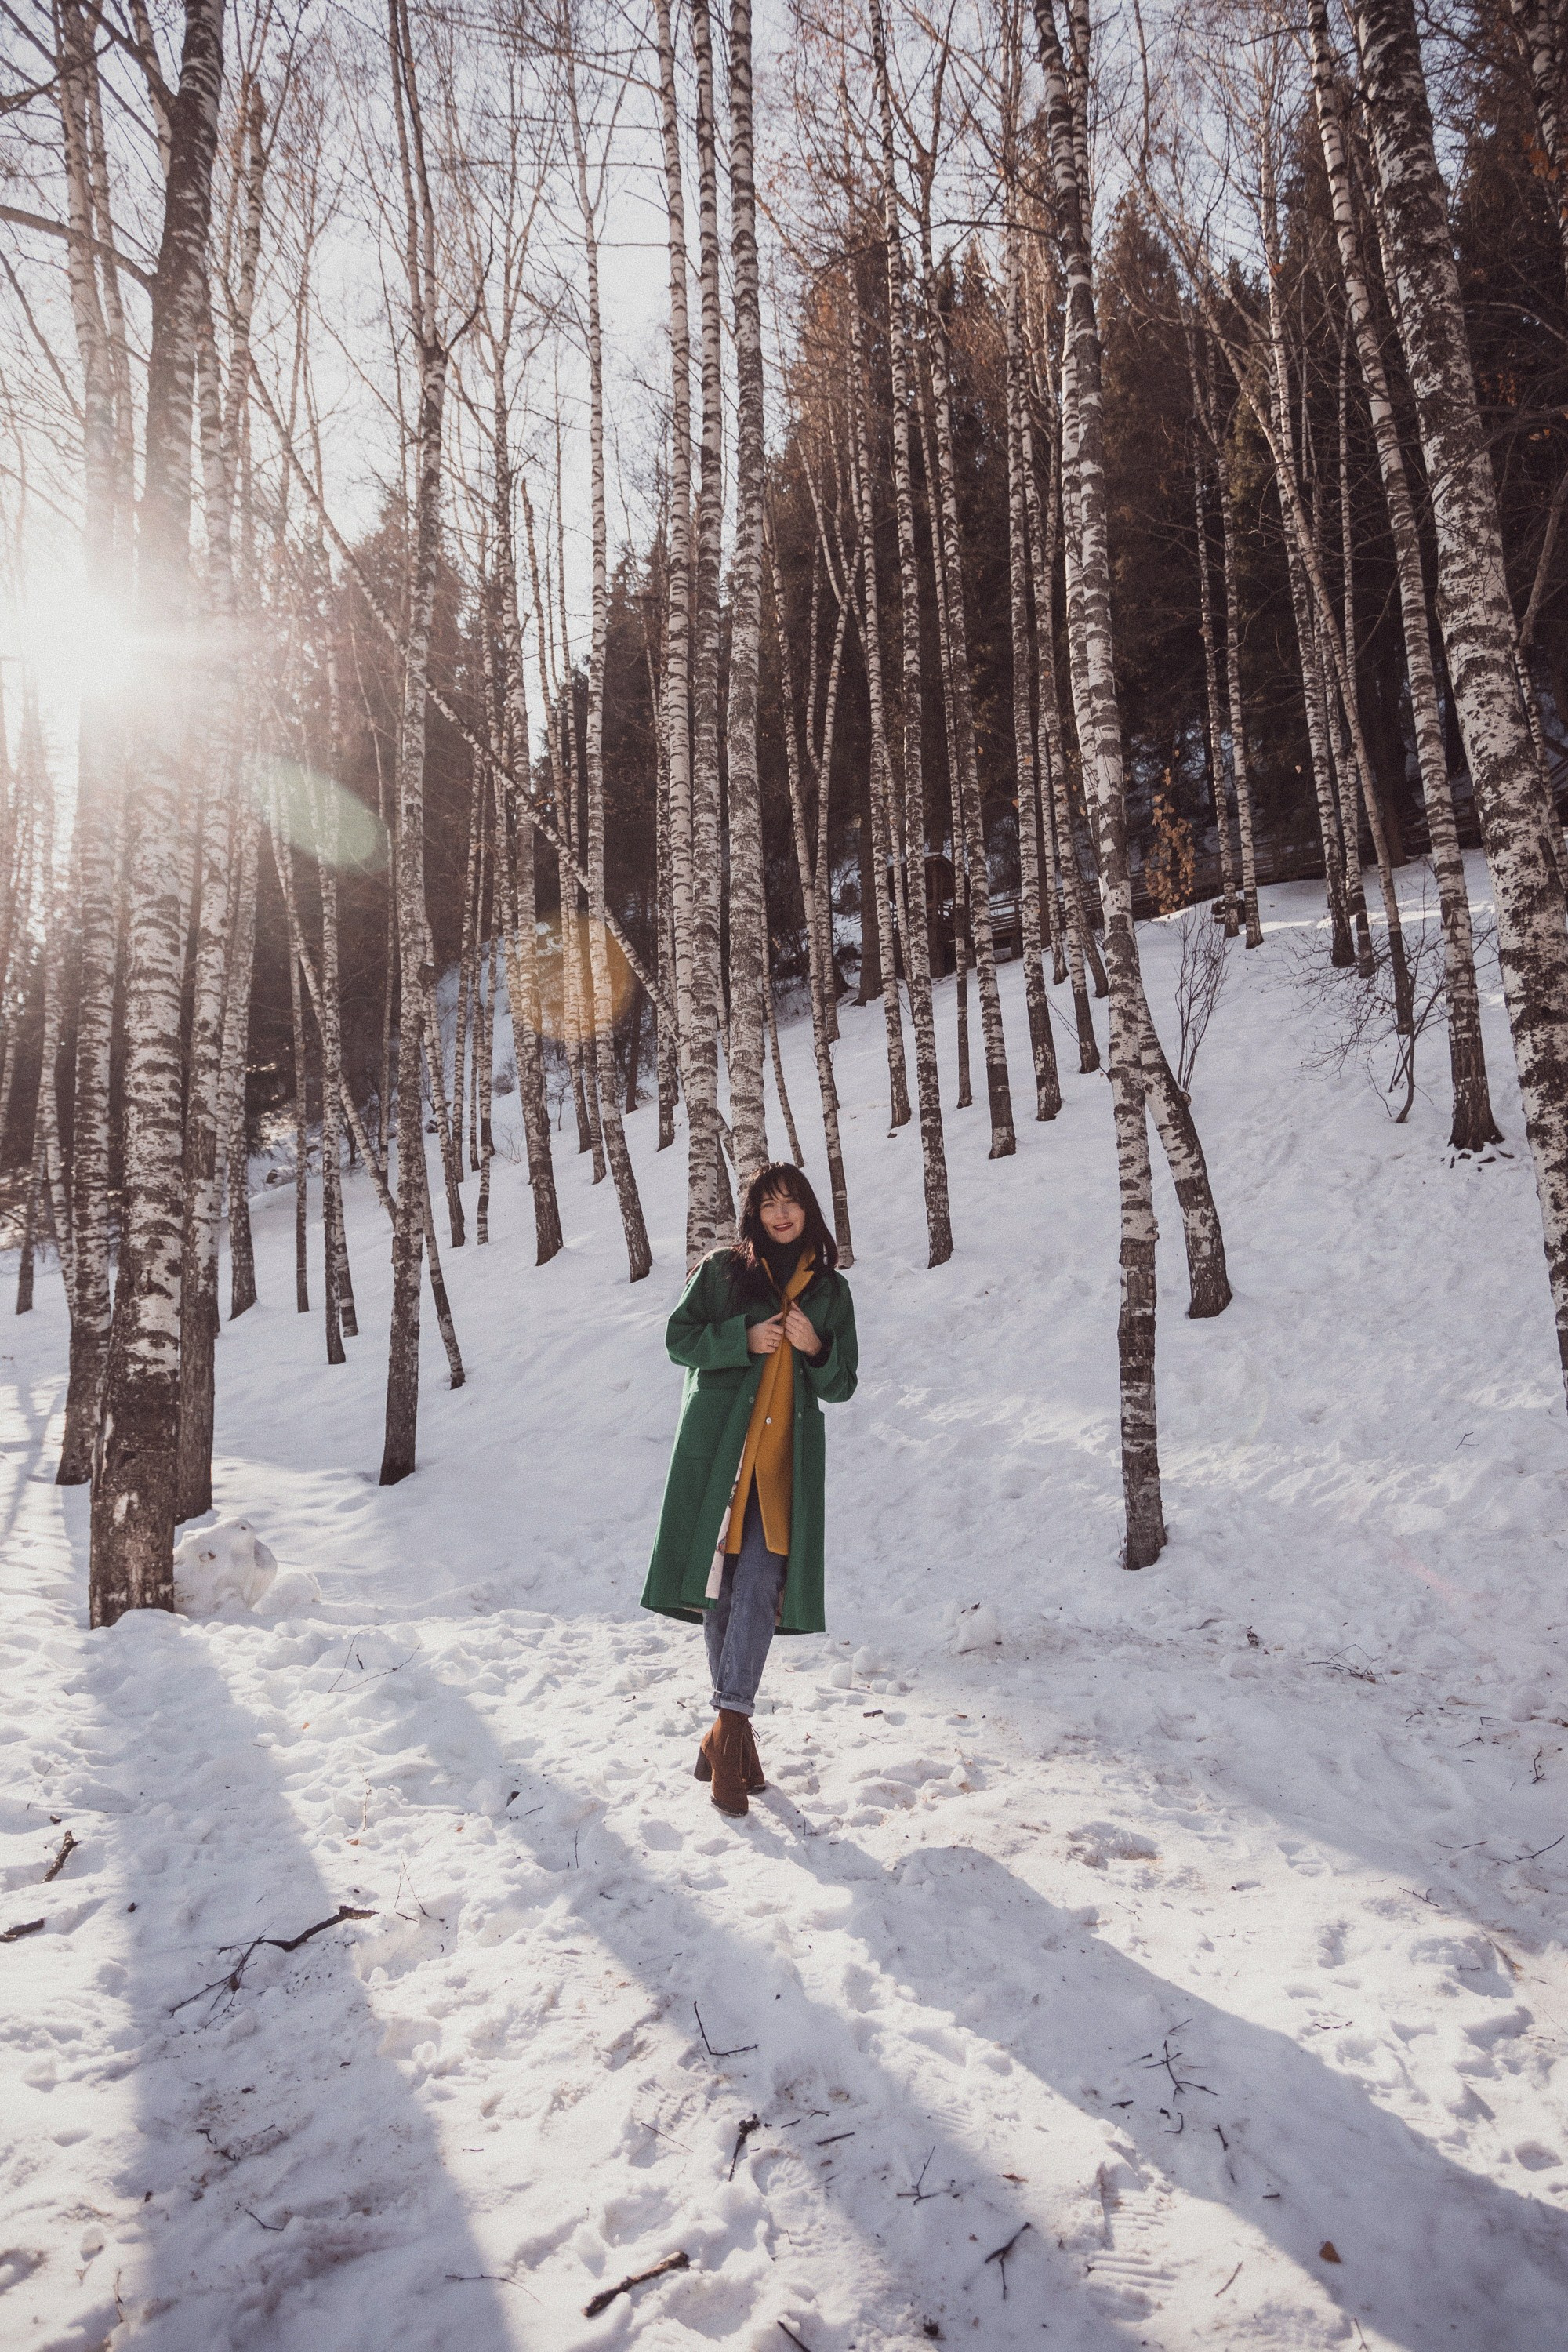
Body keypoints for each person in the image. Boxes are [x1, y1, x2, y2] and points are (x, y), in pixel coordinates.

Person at [641, 1162, 858, 1817]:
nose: (781, 1215)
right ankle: (733, 1736)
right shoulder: (721, 1272)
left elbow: (842, 1384)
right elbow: (678, 1339)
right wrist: (741, 1338)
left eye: (791, 1202)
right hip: (721, 1456)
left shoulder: (830, 1290)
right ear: (754, 1214)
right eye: (769, 1204)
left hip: (782, 1465)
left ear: (808, 1210)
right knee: (722, 1586)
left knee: (761, 1582)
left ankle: (726, 1731)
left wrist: (814, 1345)